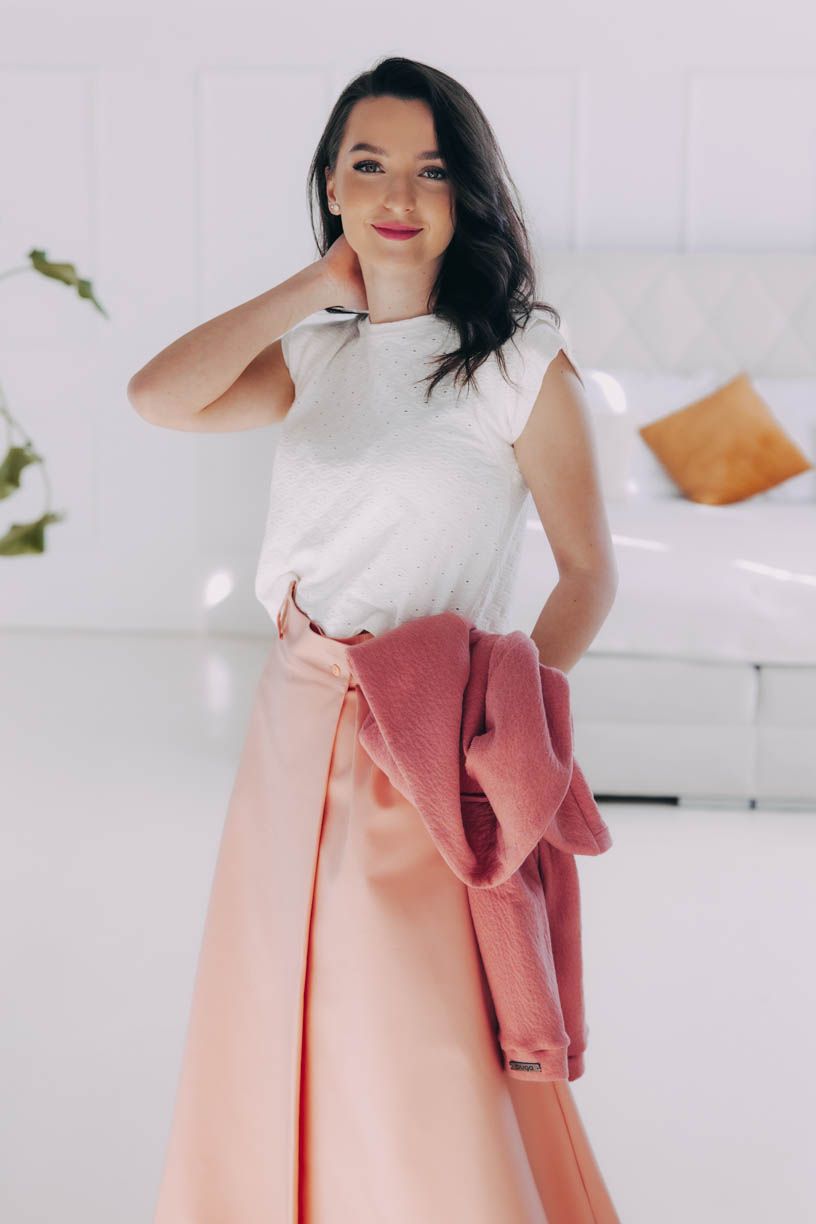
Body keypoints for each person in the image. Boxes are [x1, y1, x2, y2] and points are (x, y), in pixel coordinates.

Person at [130, 54, 620, 1224]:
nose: (399, 194)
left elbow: (589, 571)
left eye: (432, 170)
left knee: (415, 1019)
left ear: (467, 194)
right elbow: (158, 397)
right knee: (280, 992)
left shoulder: (517, 362)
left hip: (429, 737)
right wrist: (315, 285)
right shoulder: (317, 356)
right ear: (334, 187)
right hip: (295, 717)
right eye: (369, 165)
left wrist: (498, 719)